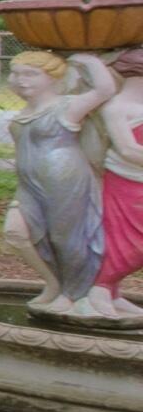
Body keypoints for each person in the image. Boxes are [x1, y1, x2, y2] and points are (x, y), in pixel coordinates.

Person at [2, 50, 118, 318]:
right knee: (15, 232)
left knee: (66, 239)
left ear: (53, 78)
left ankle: (74, 293)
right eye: (15, 73)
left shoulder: (66, 105)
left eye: (30, 74)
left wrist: (88, 60)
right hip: (29, 185)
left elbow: (104, 89)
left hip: (66, 184)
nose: (20, 80)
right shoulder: (26, 111)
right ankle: (54, 283)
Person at [86, 45, 143, 318]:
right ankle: (100, 288)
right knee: (128, 241)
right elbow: (127, 150)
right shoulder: (118, 107)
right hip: (127, 181)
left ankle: (113, 292)